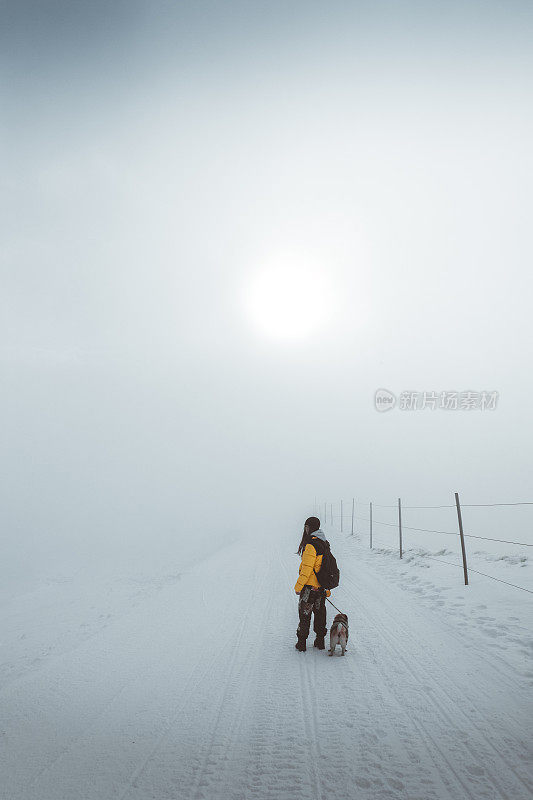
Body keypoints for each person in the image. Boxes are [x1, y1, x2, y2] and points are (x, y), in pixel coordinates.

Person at [294, 516, 331, 652]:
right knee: (320, 614)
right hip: (320, 588)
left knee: (305, 615)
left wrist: (298, 587)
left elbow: (307, 570)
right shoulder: (324, 543)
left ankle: (301, 643)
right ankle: (320, 641)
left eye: (306, 526)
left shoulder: (311, 545)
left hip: (309, 589)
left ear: (309, 527)